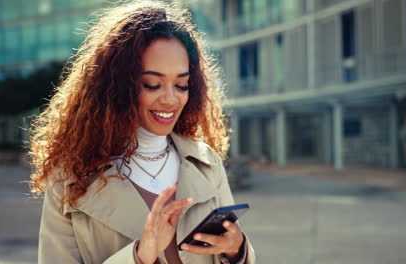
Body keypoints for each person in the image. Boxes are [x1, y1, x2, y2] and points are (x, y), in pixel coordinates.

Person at [28, 1, 255, 263]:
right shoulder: (69, 179)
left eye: (181, 85)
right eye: (152, 84)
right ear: (117, 85)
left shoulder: (206, 162)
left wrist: (236, 250)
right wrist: (138, 256)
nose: (171, 99)